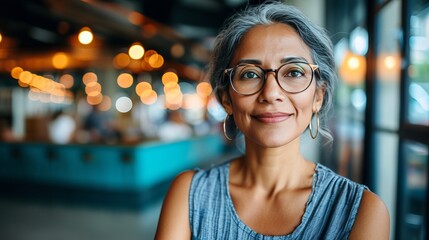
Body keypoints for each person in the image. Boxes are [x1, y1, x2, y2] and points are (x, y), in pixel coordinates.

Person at [155, 2, 390, 239]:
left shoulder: (361, 210)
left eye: (293, 72)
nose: (270, 93)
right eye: (249, 74)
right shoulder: (189, 194)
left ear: (318, 95)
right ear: (226, 98)